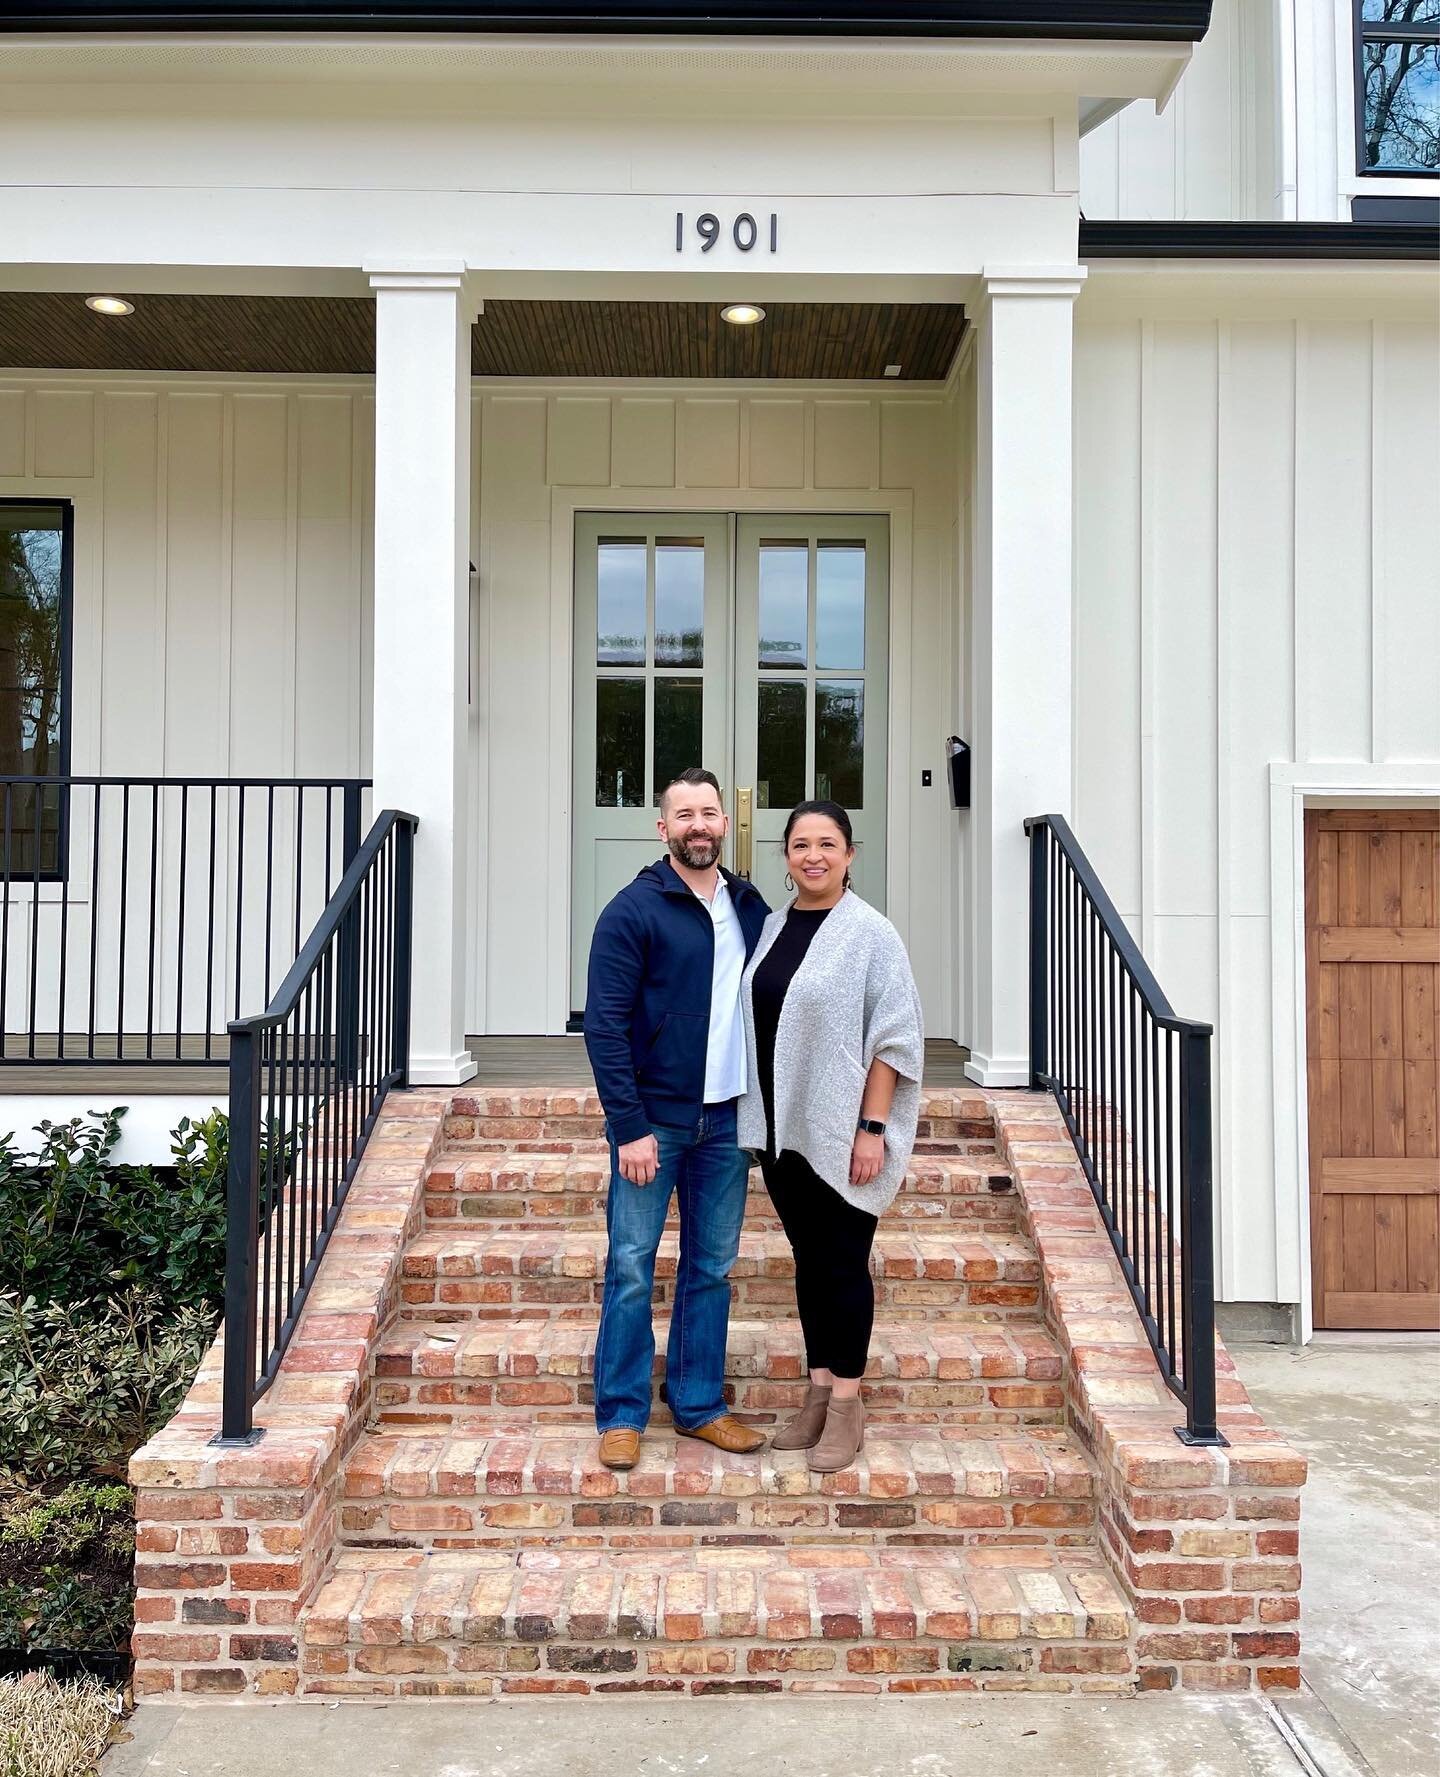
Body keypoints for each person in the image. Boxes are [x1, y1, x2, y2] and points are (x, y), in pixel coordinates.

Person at [583, 767, 772, 1471]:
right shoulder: (632, 911)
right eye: (684, 814)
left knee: (711, 1267)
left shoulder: (750, 907)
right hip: (654, 1122)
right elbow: (604, 1026)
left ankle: (698, 1405)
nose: (699, 825)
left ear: (725, 823)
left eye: (710, 813)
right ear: (662, 827)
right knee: (631, 1264)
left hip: (726, 1120)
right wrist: (627, 1125)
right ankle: (623, 1412)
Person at [738, 800, 924, 1473]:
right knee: (810, 1262)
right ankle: (818, 1391)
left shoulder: (873, 933)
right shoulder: (773, 926)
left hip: (844, 1133)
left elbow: (895, 1037)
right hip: (782, 1132)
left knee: (842, 1262)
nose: (812, 855)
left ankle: (847, 1403)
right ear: (785, 858)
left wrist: (871, 1128)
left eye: (827, 843)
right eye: (799, 845)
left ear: (850, 853)